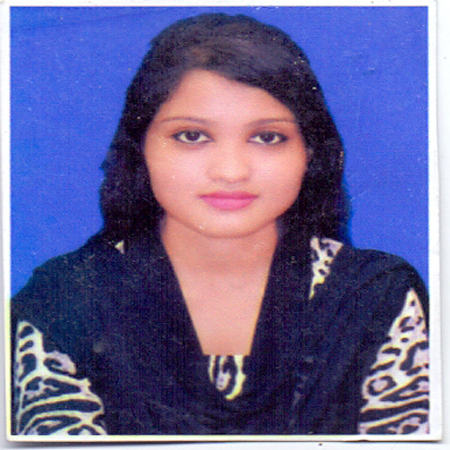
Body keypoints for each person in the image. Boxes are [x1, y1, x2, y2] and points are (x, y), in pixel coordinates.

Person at [11, 13, 429, 436]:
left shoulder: (377, 296)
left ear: (311, 152)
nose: (231, 171)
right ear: (140, 148)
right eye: (192, 136)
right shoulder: (64, 301)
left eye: (267, 137)